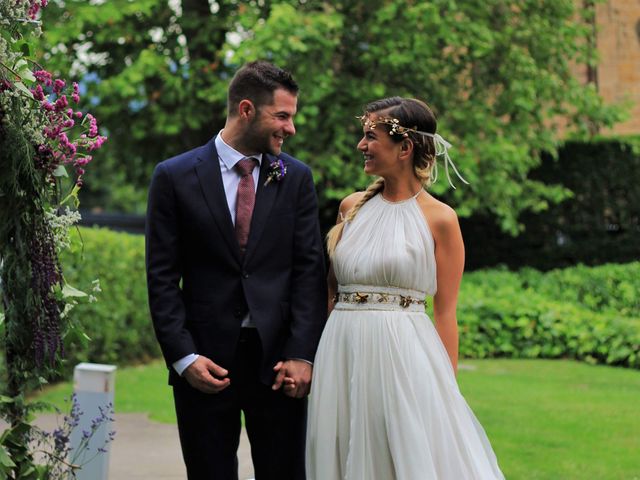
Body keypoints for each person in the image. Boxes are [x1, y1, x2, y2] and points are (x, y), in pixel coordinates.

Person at [145, 60, 327, 479]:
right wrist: (184, 357)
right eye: (282, 116)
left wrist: (302, 354)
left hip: (279, 366)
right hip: (205, 362)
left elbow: (308, 271)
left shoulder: (296, 178)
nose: (291, 128)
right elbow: (161, 276)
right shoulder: (173, 177)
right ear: (247, 109)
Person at [306, 97, 504, 479]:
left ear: (405, 148)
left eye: (370, 136)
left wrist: (446, 387)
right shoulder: (351, 208)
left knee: (401, 454)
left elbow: (446, 312)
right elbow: (329, 292)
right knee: (340, 450)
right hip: (340, 350)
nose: (361, 145)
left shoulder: (441, 219)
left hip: (403, 355)